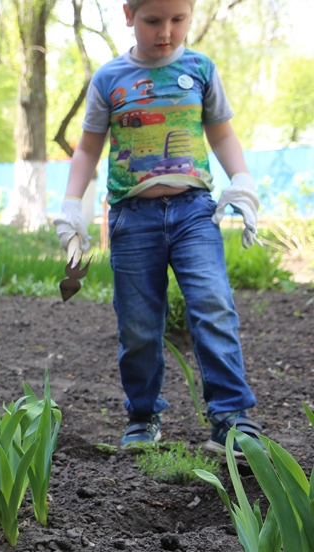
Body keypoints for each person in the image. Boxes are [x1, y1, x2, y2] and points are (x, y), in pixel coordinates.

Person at [52, 0, 262, 453]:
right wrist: (73, 204)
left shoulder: (200, 69)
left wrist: (241, 179)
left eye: (178, 19)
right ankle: (143, 417)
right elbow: (88, 149)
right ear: (129, 14)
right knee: (139, 324)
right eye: (152, 20)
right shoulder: (110, 79)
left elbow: (222, 133)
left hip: (194, 213)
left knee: (214, 307)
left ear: (191, 13)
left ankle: (231, 419)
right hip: (132, 217)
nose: (166, 31)